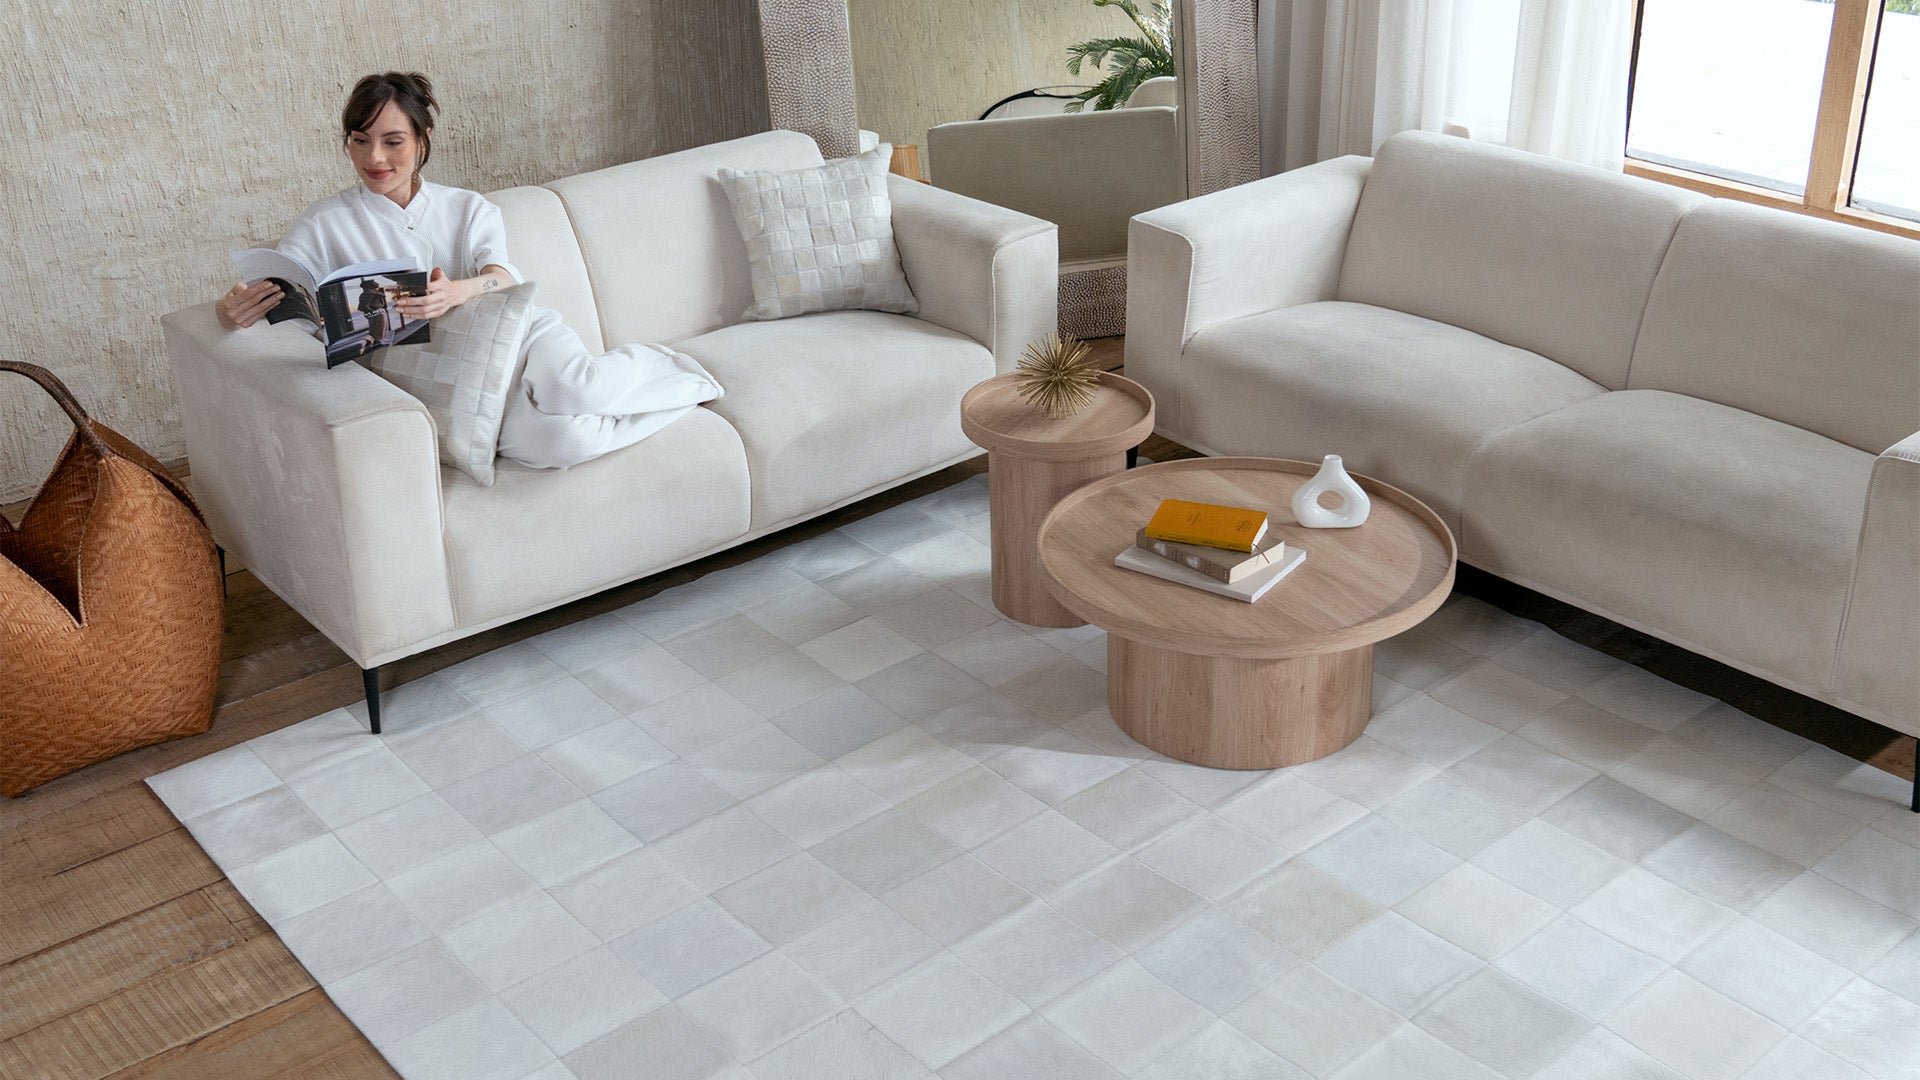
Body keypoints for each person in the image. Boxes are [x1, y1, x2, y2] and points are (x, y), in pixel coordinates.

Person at [216, 71, 723, 471]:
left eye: (393, 141)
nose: (374, 157)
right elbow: (292, 295)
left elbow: (502, 276)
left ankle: (665, 367)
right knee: (560, 443)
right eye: (359, 139)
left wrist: (454, 292)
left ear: (422, 140)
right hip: (457, 375)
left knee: (575, 390)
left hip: (521, 336)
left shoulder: (467, 207)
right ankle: (678, 400)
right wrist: (232, 309)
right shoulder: (324, 222)